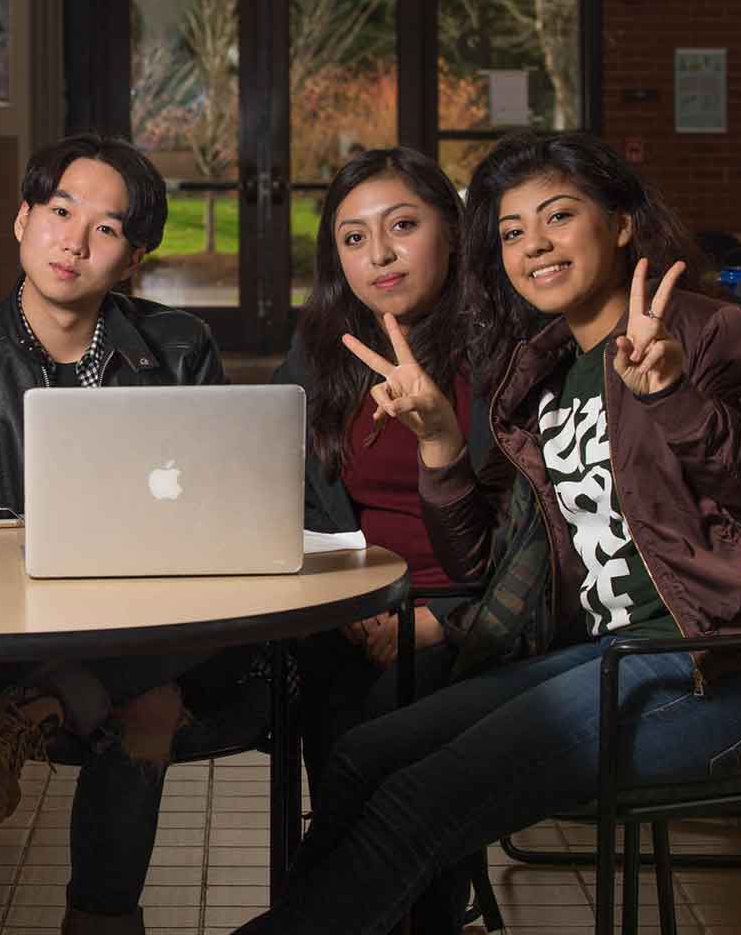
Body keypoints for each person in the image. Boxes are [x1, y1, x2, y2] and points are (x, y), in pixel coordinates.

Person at [236, 132, 741, 934]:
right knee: (361, 756)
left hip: (716, 674)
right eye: (513, 231)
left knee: (421, 795)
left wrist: (672, 398)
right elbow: (484, 560)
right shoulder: (542, 374)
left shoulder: (709, 332)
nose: (535, 245)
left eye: (558, 217)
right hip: (598, 658)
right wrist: (443, 446)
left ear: (620, 224)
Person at [0, 132, 258, 935]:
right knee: (149, 701)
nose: (74, 240)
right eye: (61, 211)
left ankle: (65, 698)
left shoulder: (178, 346)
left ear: (132, 258)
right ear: (22, 220)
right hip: (18, 621)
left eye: (107, 228)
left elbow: (219, 507)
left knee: (164, 676)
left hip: (158, 613)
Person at [272, 147, 513, 933]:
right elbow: (287, 486)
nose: (377, 255)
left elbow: (538, 524)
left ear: (452, 230)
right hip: (360, 601)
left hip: (476, 607)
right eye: (352, 238)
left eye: (402, 226)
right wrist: (347, 599)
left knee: (378, 727)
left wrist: (442, 613)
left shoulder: (511, 343)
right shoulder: (323, 347)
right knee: (322, 686)